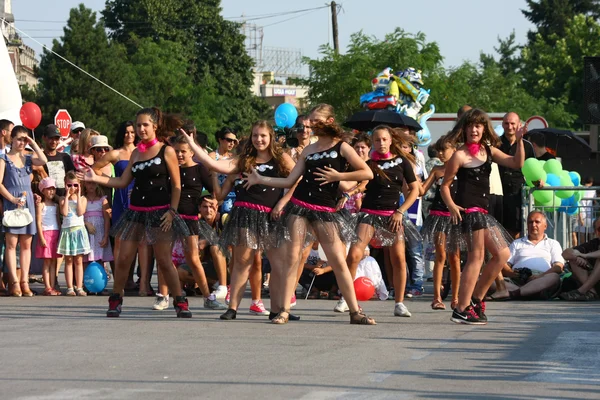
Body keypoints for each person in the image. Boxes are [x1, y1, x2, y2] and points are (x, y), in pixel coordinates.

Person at [244, 104, 377, 325]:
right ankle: (284, 310)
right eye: (310, 122)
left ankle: (355, 312)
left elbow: (367, 172)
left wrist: (338, 176)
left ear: (330, 121)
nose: (312, 125)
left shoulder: (342, 147)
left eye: (316, 121)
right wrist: (260, 179)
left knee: (338, 261)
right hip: (299, 207)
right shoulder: (309, 150)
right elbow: (289, 181)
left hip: (325, 211)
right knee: (291, 258)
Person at [79, 107, 192, 318]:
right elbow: (122, 182)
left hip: (161, 213)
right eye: (138, 125)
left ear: (155, 126)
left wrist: (172, 211)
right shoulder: (135, 153)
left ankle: (180, 301)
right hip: (136, 212)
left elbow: (177, 186)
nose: (141, 129)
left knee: (165, 261)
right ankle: (115, 300)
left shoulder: (166, 150)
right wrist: (95, 178)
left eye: (145, 125)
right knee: (123, 259)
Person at [190, 121, 296, 321]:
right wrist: (193, 144)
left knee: (277, 264)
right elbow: (214, 165)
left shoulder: (280, 158)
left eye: (263, 136)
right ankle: (233, 308)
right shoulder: (244, 160)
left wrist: (282, 202)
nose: (259, 139)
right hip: (245, 214)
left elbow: (296, 179)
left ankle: (279, 309)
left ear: (271, 137)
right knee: (242, 262)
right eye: (255, 135)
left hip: (271, 216)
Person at [441, 108, 524, 325]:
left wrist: (522, 140)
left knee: (503, 253)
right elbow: (445, 186)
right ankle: (461, 308)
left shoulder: (489, 151)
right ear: (464, 129)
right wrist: (451, 206)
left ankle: (476, 298)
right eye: (470, 126)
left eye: (478, 125)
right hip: (469, 212)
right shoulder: (459, 155)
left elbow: (517, 163)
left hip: (483, 213)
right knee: (476, 258)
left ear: (484, 128)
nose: (474, 129)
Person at [346, 125, 421, 317]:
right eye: (377, 140)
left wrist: (400, 211)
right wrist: (349, 191)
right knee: (354, 254)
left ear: (390, 141)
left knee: (399, 259)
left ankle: (399, 303)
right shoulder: (368, 164)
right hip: (369, 214)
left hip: (392, 216)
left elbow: (415, 190)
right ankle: (346, 299)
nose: (381, 143)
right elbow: (359, 184)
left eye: (384, 139)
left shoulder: (402, 162)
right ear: (373, 142)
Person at [154, 133, 225, 310]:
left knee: (193, 258)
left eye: (183, 151)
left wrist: (211, 204)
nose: (179, 155)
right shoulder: (171, 168)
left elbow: (214, 193)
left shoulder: (199, 169)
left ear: (192, 152)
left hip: (190, 218)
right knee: (165, 257)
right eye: (176, 151)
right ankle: (163, 296)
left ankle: (208, 297)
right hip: (169, 216)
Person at [0, 126, 47, 297]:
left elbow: (43, 160)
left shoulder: (28, 158)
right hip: (12, 202)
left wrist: (32, 143)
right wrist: (11, 199)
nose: (21, 142)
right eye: (19, 138)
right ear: (11, 139)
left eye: (24, 139)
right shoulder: (4, 159)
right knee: (11, 245)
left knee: (26, 245)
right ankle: (13, 282)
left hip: (27, 203)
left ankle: (24, 281)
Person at [420, 135, 461, 310]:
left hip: (455, 216)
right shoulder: (437, 170)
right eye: (439, 150)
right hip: (438, 215)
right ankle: (436, 297)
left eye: (445, 150)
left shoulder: (462, 170)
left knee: (455, 257)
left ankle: (456, 297)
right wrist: (409, 182)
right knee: (441, 255)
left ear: (454, 150)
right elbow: (422, 189)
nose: (441, 154)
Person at [487, 211, 564, 300]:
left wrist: (539, 277)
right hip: (517, 279)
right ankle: (527, 292)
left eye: (537, 222)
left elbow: (558, 267)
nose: (533, 225)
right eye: (530, 222)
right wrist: (513, 274)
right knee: (486, 279)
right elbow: (506, 266)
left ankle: (513, 294)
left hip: (541, 278)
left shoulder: (553, 243)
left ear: (545, 226)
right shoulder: (517, 243)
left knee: (554, 277)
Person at [498, 112, 535, 237]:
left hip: (518, 193)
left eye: (512, 123)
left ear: (519, 125)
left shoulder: (527, 146)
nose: (509, 127)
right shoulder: (495, 144)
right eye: (506, 123)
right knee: (497, 229)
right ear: (502, 125)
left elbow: (533, 169)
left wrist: (537, 181)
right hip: (498, 192)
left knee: (516, 230)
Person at [58, 171, 91, 296]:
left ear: (80, 185)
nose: (73, 188)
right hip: (67, 231)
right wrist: (66, 196)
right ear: (65, 185)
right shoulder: (62, 199)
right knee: (69, 261)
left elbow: (80, 212)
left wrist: (78, 195)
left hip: (78, 230)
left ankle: (79, 286)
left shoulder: (83, 199)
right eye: (70, 185)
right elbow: (65, 213)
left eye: (75, 185)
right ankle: (70, 287)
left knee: (78, 260)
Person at [560, 217, 600, 301]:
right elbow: (565, 254)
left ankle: (581, 291)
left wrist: (585, 255)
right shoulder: (594, 243)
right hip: (596, 284)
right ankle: (592, 292)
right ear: (596, 232)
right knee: (574, 260)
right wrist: (576, 256)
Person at [35, 177, 61, 296]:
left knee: (54, 262)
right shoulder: (41, 205)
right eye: (48, 189)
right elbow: (39, 222)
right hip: (45, 233)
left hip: (55, 233)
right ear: (43, 191)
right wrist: (41, 237)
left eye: (53, 189)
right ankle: (47, 287)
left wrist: (60, 233)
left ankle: (52, 286)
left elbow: (58, 221)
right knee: (47, 262)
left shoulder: (56, 205)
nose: (51, 192)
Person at [82, 180, 113, 269]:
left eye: (93, 183)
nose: (91, 185)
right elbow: (79, 216)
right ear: (84, 184)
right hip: (86, 233)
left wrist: (106, 236)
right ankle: (85, 281)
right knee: (85, 259)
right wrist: (85, 223)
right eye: (89, 183)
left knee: (99, 259)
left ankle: (99, 280)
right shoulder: (82, 199)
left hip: (99, 234)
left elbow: (107, 219)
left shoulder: (103, 200)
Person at [40, 124, 76, 197]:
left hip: (65, 198)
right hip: (48, 200)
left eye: (56, 138)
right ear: (44, 138)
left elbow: (72, 178)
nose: (54, 141)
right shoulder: (39, 159)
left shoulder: (65, 157)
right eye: (51, 138)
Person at [89, 135, 114, 206]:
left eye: (106, 149)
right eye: (99, 149)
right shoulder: (89, 171)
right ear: (93, 151)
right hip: (97, 210)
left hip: (116, 207)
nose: (103, 151)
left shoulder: (115, 167)